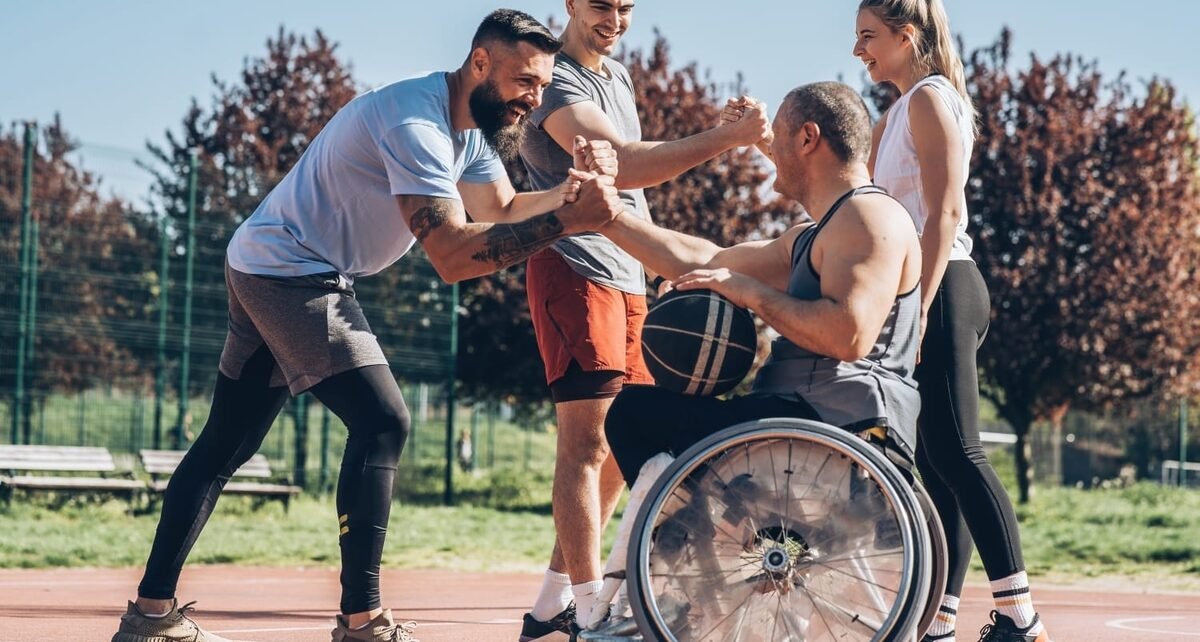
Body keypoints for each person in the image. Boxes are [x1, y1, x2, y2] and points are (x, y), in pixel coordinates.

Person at [110, 10, 623, 642]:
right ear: (480, 64)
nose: (535, 100)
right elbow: (455, 255)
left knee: (225, 445)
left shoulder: (470, 125)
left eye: (544, 86)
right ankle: (363, 622)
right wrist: (572, 221)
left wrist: (580, 191)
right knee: (383, 422)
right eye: (525, 82)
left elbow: (503, 207)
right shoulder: (415, 123)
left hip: (268, 263)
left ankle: (150, 617)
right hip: (291, 273)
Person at [578, 80, 923, 634]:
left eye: (779, 137)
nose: (771, 156)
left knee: (635, 415)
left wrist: (751, 293)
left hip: (831, 426)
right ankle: (686, 578)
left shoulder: (869, 219)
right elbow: (705, 257)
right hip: (800, 420)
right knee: (652, 414)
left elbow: (849, 337)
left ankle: (658, 589)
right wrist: (608, 217)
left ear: (808, 138)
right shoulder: (820, 232)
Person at [514, 0, 772, 637]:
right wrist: (723, 140)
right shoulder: (555, 79)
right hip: (572, 264)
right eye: (603, 5)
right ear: (572, 3)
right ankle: (587, 606)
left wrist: (654, 252)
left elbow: (629, 189)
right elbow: (617, 163)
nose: (616, 19)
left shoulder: (618, 77)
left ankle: (552, 607)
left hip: (626, 271)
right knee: (587, 442)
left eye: (627, 7)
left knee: (626, 442)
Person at [854, 1, 1051, 641]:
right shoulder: (897, 111)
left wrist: (916, 304)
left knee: (962, 450)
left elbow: (943, 216)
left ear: (905, 36)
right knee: (938, 458)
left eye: (868, 37)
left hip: (944, 287)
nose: (859, 50)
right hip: (926, 290)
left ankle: (1021, 618)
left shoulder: (929, 101)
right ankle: (940, 618)